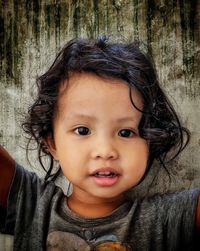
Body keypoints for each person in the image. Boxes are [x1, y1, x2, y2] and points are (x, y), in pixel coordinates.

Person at [0, 36, 199, 251]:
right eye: (83, 130)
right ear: (53, 143)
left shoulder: (167, 220)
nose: (106, 151)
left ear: (149, 142)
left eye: (125, 132)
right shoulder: (32, 206)